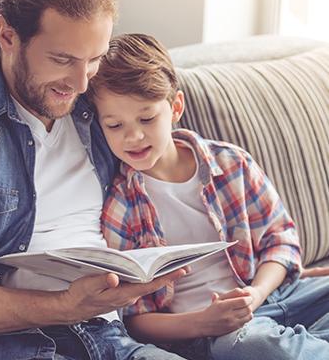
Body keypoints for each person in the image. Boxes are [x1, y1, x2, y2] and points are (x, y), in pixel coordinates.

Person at [0, 0, 188, 359]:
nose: (81, 84)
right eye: (62, 59)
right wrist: (64, 306)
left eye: (94, 58)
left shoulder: (101, 107)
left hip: (108, 335)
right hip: (12, 343)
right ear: (8, 35)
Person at [88, 33, 329, 360]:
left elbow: (280, 241)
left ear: (175, 108)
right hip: (216, 331)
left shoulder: (231, 164)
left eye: (147, 118)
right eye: (115, 125)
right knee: (255, 345)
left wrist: (256, 293)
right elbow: (132, 317)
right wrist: (202, 323)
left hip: (275, 294)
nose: (133, 136)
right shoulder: (121, 208)